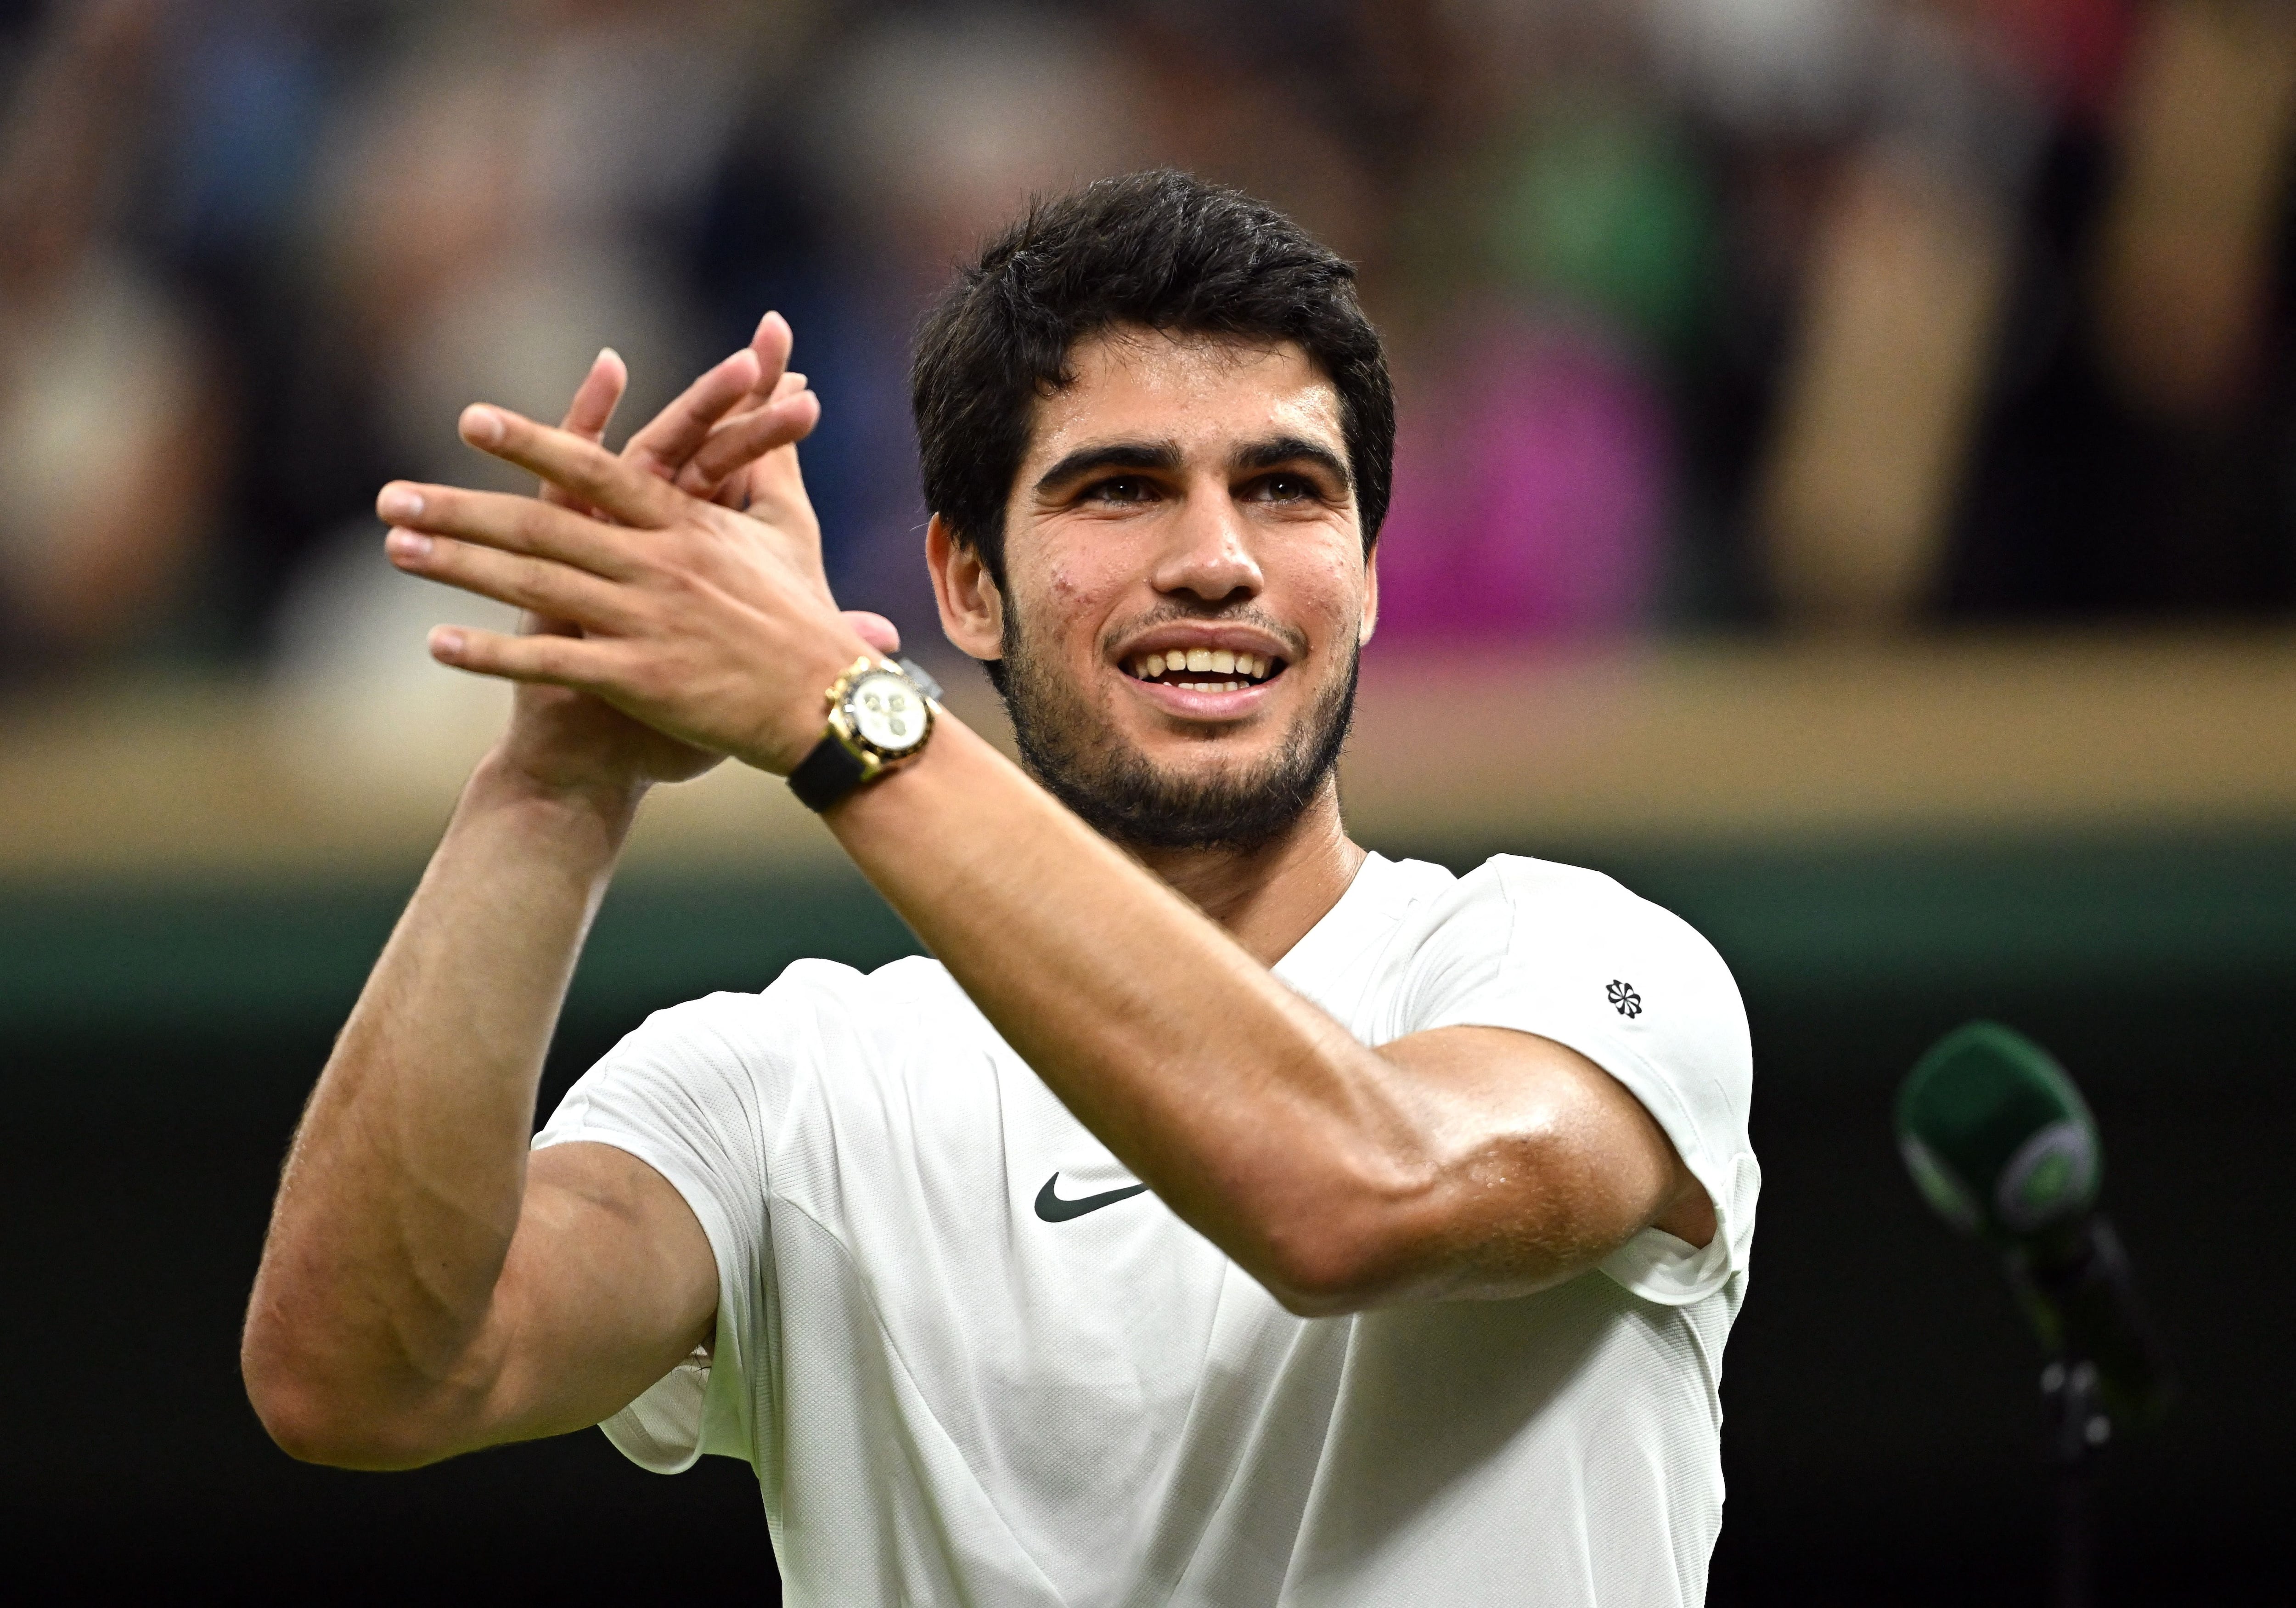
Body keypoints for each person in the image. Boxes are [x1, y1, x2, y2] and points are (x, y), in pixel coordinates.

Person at [243, 171, 1757, 1606]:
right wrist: (555, 784)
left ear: (1363, 570)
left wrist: (841, 706)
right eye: (1121, 489)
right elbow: (362, 1377)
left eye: (1288, 489)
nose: (1218, 559)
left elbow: (1358, 1193)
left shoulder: (1575, 964)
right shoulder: (788, 1085)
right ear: (966, 585)